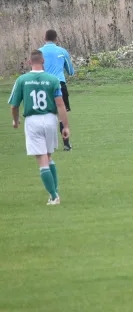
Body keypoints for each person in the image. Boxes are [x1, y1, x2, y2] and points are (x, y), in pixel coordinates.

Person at [8, 50, 70, 205]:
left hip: (32, 120)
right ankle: (55, 193)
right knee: (49, 157)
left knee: (42, 160)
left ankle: (54, 196)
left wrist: (15, 121)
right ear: (43, 61)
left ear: (29, 62)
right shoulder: (53, 79)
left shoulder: (22, 80)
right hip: (50, 119)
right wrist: (65, 126)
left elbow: (14, 106)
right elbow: (60, 104)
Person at [39, 29, 75, 150]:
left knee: (46, 115)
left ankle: (47, 145)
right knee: (62, 115)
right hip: (59, 84)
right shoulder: (62, 51)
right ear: (56, 39)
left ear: (45, 38)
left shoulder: (39, 52)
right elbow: (70, 71)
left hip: (44, 84)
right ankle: (66, 144)